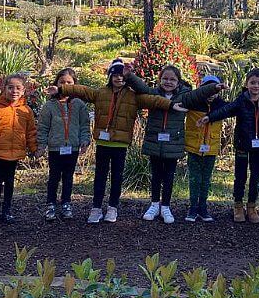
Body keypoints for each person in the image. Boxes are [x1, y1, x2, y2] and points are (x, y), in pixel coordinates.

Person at [56, 58, 188, 223]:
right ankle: (96, 208)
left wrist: (170, 105)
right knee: (100, 177)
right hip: (103, 143)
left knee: (117, 178)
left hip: (120, 144)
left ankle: (113, 208)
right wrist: (61, 89)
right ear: (110, 77)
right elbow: (82, 90)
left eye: (122, 76)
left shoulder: (133, 96)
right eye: (115, 75)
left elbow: (153, 100)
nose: (118, 78)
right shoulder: (100, 93)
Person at [123, 66, 225, 224]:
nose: (168, 82)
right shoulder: (154, 93)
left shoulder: (184, 96)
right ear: (160, 80)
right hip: (155, 141)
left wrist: (214, 88)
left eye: (172, 79)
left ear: (178, 82)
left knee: (169, 176)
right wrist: (129, 75)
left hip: (173, 143)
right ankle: (154, 205)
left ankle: (166, 206)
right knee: (155, 175)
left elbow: (198, 93)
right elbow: (141, 87)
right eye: (165, 79)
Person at [198, 68, 259, 223]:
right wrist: (209, 117)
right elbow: (226, 110)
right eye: (252, 83)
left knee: (256, 176)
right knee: (240, 176)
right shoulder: (241, 101)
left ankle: (251, 206)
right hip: (242, 144)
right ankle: (238, 206)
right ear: (247, 84)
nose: (256, 86)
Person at [0, 74, 37, 225]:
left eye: (18, 88)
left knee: (9, 181)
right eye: (10, 88)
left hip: (15, 153)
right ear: (4, 89)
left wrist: (34, 149)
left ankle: (7, 211)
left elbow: (31, 132)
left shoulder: (26, 110)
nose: (14, 91)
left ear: (23, 91)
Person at [36, 68, 91, 222]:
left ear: (75, 85)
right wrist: (41, 144)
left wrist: (85, 140)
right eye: (62, 82)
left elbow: (84, 125)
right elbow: (43, 127)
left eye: (69, 82)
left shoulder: (79, 104)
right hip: (55, 147)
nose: (65, 85)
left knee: (68, 177)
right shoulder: (49, 105)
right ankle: (51, 204)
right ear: (56, 83)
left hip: (72, 147)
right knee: (54, 177)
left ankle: (66, 203)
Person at [183, 74, 226, 222]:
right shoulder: (193, 103)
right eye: (208, 90)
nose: (211, 94)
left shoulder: (221, 105)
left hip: (211, 148)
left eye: (215, 91)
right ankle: (193, 207)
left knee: (206, 179)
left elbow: (234, 107)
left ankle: (203, 207)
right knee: (194, 178)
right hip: (193, 147)